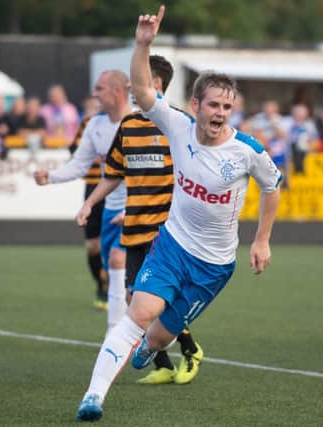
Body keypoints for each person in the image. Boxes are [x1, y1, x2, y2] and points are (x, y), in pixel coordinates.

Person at [75, 6, 281, 422]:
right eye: (213, 105)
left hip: (215, 266)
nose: (219, 113)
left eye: (226, 106)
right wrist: (142, 44)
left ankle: (153, 348)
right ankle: (93, 397)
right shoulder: (178, 126)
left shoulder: (248, 151)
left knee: (161, 333)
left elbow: (273, 187)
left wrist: (262, 239)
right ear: (195, 104)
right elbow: (144, 91)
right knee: (140, 312)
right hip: (172, 246)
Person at [76, 54, 203, 386]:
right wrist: (91, 203)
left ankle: (190, 351)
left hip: (167, 232)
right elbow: (113, 174)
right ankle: (163, 363)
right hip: (135, 227)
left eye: (140, 82)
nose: (134, 89)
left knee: (159, 299)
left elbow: (193, 177)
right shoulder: (128, 126)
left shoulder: (179, 124)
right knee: (136, 299)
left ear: (157, 85)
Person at [34, 70, 132, 332]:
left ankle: (116, 334)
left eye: (100, 88)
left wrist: (137, 207)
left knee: (117, 261)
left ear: (117, 91)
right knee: (118, 277)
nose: (95, 94)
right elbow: (79, 164)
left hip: (138, 210)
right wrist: (51, 176)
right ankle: (160, 338)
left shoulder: (139, 122)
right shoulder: (94, 124)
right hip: (109, 207)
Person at [67, 100, 108, 311]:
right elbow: (74, 150)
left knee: (117, 245)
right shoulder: (89, 123)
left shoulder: (127, 122)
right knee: (93, 246)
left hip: (118, 187)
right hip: (93, 186)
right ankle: (101, 283)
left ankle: (115, 287)